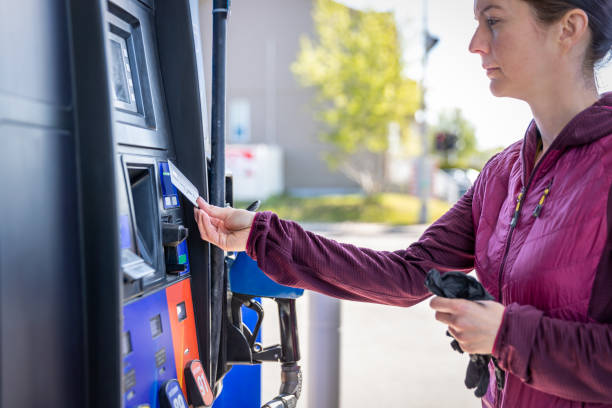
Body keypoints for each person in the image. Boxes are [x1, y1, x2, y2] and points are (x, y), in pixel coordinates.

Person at [194, 0, 612, 406]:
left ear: (569, 29)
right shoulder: (502, 175)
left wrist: (508, 336)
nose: (475, 43)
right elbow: (410, 273)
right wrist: (265, 236)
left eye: (494, 20)